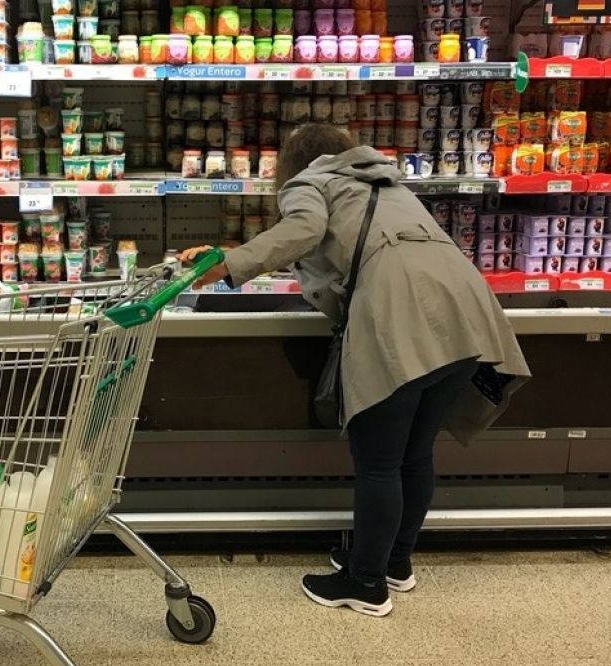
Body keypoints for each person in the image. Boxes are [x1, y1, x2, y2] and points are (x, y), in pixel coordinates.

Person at [178, 125, 529, 618]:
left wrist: (228, 264)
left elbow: (303, 231)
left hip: (403, 314)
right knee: (415, 453)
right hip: (469, 313)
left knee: (379, 462)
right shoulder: (387, 181)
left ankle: (365, 583)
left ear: (295, 163)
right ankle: (394, 562)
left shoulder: (311, 181)